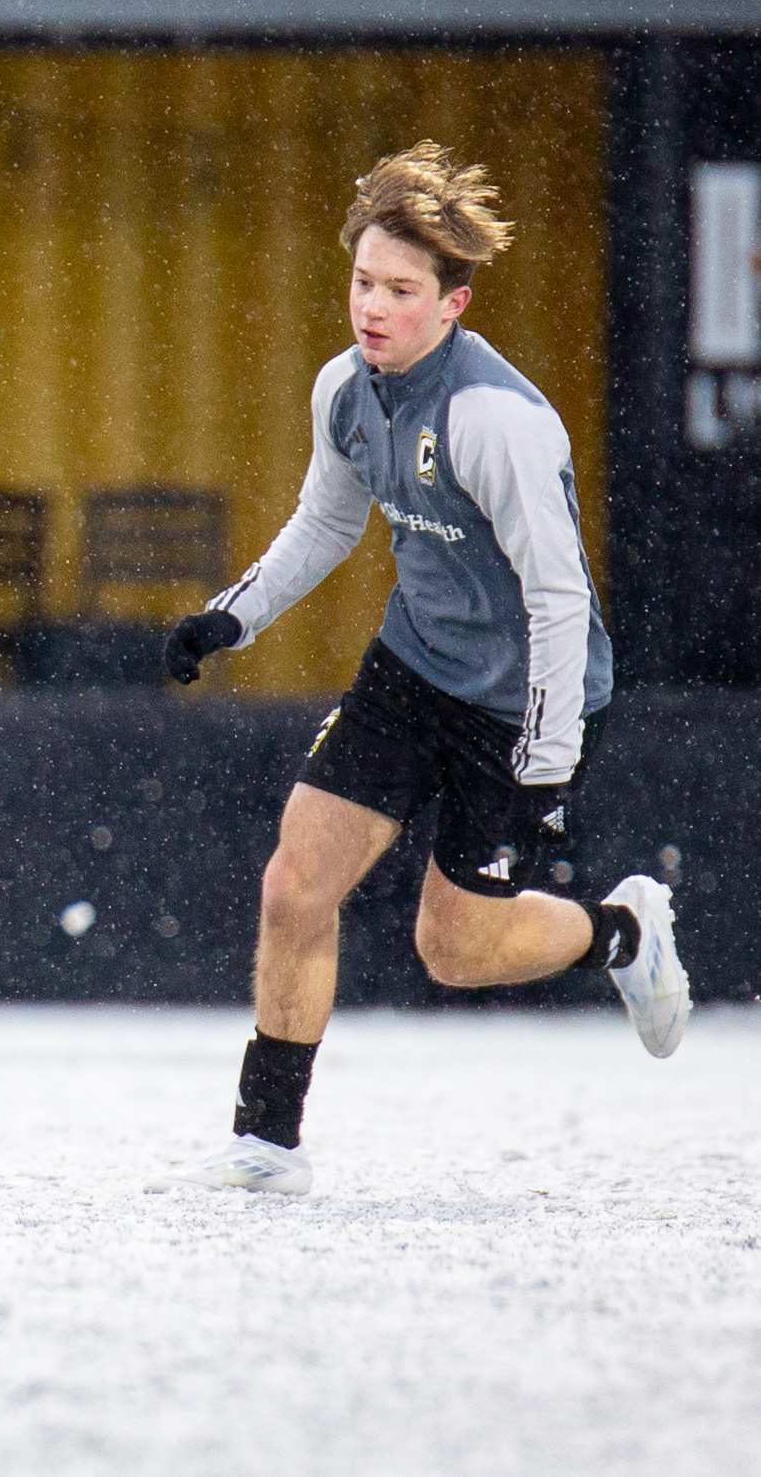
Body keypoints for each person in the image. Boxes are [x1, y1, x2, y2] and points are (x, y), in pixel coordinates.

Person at [156, 142, 684, 1197]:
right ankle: (266, 1143)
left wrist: (545, 753)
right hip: (410, 669)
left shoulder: (496, 421)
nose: (373, 308)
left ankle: (624, 934)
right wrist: (230, 619)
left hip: (526, 700)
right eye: (362, 282)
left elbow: (557, 598)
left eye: (401, 291)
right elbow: (325, 521)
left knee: (454, 948)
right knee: (294, 881)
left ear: (453, 303)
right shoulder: (343, 391)